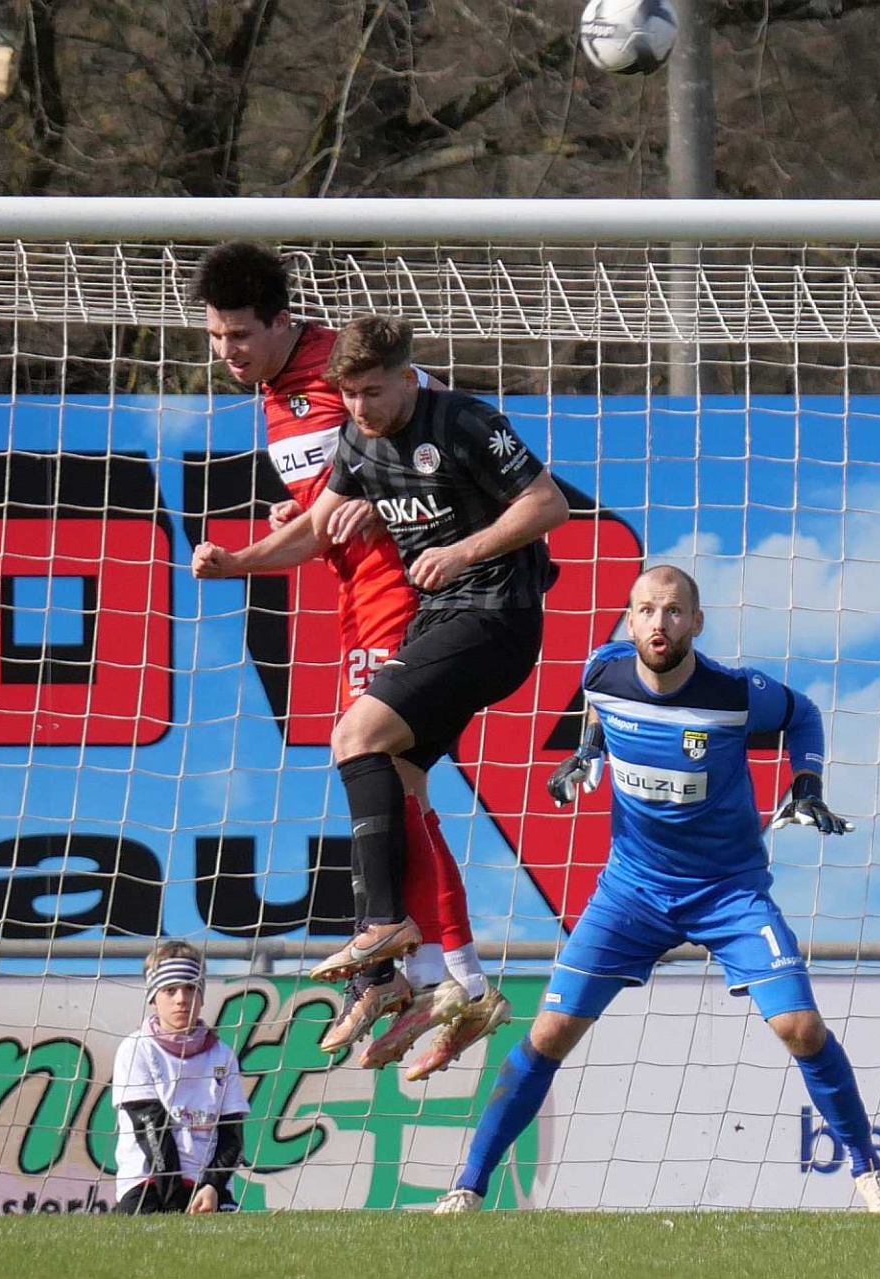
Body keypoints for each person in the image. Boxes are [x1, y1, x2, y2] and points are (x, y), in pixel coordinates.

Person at [433, 565, 880, 1214]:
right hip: (631, 892)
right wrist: (589, 750)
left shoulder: (734, 693)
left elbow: (804, 715)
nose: (661, 622)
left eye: (675, 610)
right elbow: (598, 705)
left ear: (697, 622)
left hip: (728, 892)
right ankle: (467, 1186)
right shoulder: (602, 670)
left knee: (800, 1026)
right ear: (630, 622)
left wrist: (807, 784)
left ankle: (869, 1172)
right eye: (648, 610)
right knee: (549, 1033)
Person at [187, 244, 495, 1074]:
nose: (227, 351)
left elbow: (437, 421)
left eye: (240, 334)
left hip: (405, 586)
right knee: (396, 785)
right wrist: (277, 535)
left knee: (378, 765)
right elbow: (327, 508)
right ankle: (436, 977)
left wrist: (391, 492)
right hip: (355, 596)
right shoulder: (272, 394)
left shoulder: (340, 367)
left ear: (282, 322)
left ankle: (414, 967)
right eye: (215, 336)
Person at [301, 314, 570, 1072]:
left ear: (407, 374)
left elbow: (548, 504)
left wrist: (460, 552)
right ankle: (451, 986)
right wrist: (239, 559)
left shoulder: (463, 421)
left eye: (371, 391)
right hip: (440, 620)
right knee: (399, 779)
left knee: (355, 738)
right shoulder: (357, 440)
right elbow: (317, 527)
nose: (359, 407)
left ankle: (384, 931)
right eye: (348, 394)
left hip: (495, 617)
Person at [111, 941, 249, 1215]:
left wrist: (212, 1186)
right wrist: (176, 1201)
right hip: (149, 1182)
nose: (181, 999)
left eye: (190, 988)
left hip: (207, 1187)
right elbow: (151, 1128)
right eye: (170, 990)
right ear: (153, 998)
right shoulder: (137, 1048)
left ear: (202, 995)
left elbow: (232, 1136)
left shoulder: (222, 1054)